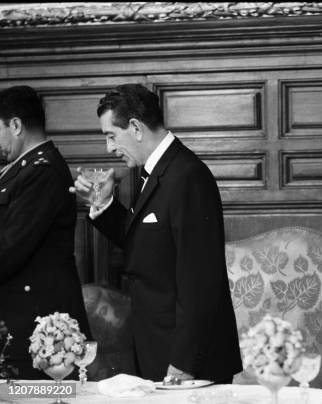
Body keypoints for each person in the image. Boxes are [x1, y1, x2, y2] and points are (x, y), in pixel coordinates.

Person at [71, 84, 242, 382]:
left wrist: (183, 364)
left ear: (136, 127)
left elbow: (201, 283)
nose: (109, 148)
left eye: (111, 136)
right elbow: (145, 244)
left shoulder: (188, 176)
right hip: (156, 346)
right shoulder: (152, 170)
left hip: (185, 361)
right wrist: (104, 205)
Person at [0, 85, 90, 379]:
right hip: (21, 323)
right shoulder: (21, 170)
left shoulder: (43, 171)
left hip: (39, 331)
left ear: (16, 125)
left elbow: (10, 247)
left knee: (41, 397)